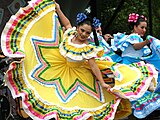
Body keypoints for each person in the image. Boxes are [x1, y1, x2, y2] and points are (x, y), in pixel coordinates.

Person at [0, 1, 158, 120]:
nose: (83, 34)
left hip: (78, 73)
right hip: (59, 66)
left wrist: (102, 82)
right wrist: (58, 10)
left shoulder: (87, 48)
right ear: (77, 29)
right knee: (41, 84)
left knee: (110, 75)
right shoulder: (69, 35)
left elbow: (94, 67)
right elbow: (67, 23)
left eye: (87, 33)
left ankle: (143, 82)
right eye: (82, 30)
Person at [110, 13, 160, 119]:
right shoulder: (133, 36)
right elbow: (136, 47)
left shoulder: (139, 39)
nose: (144, 30)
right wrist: (147, 41)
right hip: (128, 67)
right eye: (142, 27)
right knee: (132, 90)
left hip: (136, 67)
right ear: (134, 27)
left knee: (136, 91)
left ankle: (135, 114)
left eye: (145, 28)